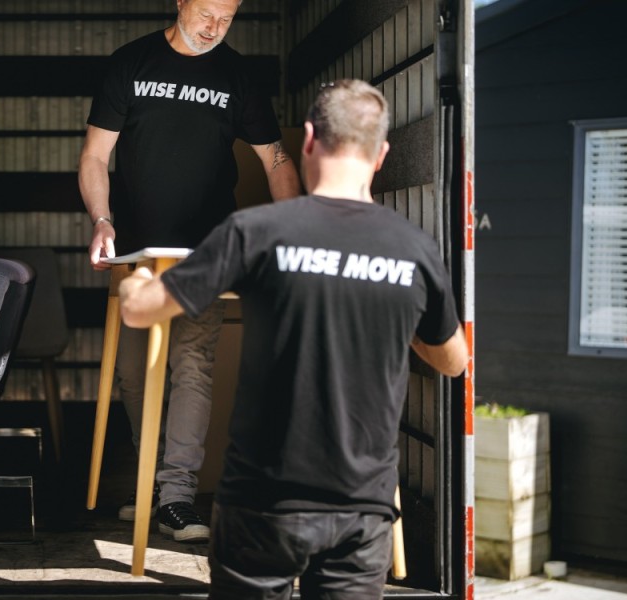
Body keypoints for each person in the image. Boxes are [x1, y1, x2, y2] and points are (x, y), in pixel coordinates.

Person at [117, 79, 468, 598]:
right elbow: (453, 361)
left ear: (308, 140)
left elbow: (142, 312)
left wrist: (136, 283)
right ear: (382, 155)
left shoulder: (256, 231)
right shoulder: (414, 249)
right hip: (361, 509)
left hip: (263, 502)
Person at [78, 0, 301, 542]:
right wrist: (102, 221)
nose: (214, 28)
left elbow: (275, 160)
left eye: (227, 19)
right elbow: (93, 156)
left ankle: (177, 497)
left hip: (208, 253)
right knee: (135, 374)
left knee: (193, 365)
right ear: (180, 2)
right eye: (206, 14)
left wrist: (292, 233)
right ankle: (156, 483)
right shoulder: (131, 64)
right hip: (136, 256)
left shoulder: (237, 75)